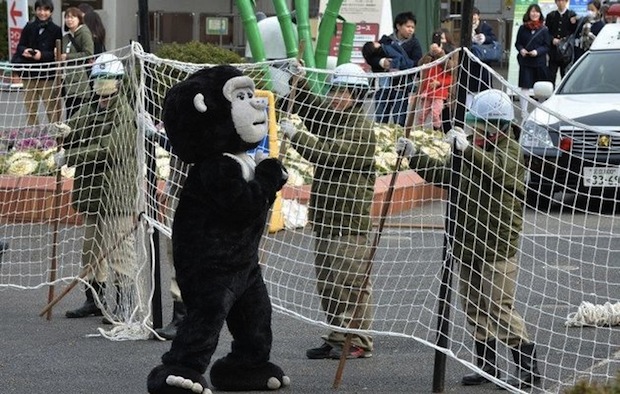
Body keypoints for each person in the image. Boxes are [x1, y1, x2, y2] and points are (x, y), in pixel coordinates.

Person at [396, 89, 541, 389]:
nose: (476, 131)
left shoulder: (511, 150)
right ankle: (487, 365)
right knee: (474, 307)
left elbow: (497, 170)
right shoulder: (471, 148)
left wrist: (467, 150)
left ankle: (528, 370)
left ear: (500, 127)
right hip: (467, 241)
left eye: (483, 125)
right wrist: (414, 157)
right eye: (475, 124)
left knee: (500, 307)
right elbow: (446, 175)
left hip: (497, 244)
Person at [280, 62, 376, 359]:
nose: (336, 96)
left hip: (349, 219)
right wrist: (301, 80)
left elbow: (329, 154)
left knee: (350, 281)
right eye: (334, 89)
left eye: (343, 91)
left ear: (357, 95)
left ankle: (357, 340)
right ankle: (337, 335)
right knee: (329, 282)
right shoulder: (337, 118)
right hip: (327, 216)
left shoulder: (360, 128)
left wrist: (296, 136)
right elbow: (316, 112)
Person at [59, 54, 138, 324]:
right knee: (91, 251)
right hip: (91, 192)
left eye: (108, 81)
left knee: (120, 252)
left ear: (118, 82)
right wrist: (64, 132)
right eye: (98, 80)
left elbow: (109, 150)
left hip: (117, 193)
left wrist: (71, 156)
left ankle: (126, 304)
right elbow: (74, 131)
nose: (103, 87)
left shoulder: (125, 114)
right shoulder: (89, 109)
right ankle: (94, 299)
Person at [12, 0, 62, 126]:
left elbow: (57, 53)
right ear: (35, 10)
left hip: (47, 75)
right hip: (29, 73)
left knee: (51, 108)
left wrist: (42, 55)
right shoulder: (29, 26)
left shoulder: (56, 30)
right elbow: (20, 46)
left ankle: (55, 136)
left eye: (45, 10)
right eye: (39, 9)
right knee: (30, 108)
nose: (42, 13)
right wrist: (25, 50)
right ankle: (34, 137)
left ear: (51, 12)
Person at [374, 11, 423, 126]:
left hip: (401, 88)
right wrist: (382, 63)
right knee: (380, 121)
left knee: (399, 122)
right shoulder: (385, 41)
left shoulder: (415, 44)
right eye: (408, 26)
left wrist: (399, 64)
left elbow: (417, 63)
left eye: (413, 27)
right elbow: (373, 59)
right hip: (383, 86)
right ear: (398, 26)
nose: (410, 30)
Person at [514, 3, 551, 120]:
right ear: (528, 13)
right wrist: (521, 50)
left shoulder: (544, 29)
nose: (534, 14)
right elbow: (517, 43)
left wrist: (537, 51)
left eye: (537, 12)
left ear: (540, 14)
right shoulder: (522, 28)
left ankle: (540, 113)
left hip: (539, 62)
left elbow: (547, 46)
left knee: (540, 89)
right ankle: (524, 112)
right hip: (525, 62)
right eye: (532, 11)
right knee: (525, 87)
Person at [416, 28, 456, 131]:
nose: (439, 42)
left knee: (445, 120)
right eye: (437, 39)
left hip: (445, 93)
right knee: (424, 114)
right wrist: (430, 54)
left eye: (442, 38)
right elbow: (420, 65)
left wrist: (440, 53)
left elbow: (451, 69)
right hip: (429, 91)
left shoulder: (453, 52)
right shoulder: (430, 54)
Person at [59, 7, 94, 119]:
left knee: (78, 114)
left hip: (80, 80)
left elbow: (89, 53)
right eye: (67, 17)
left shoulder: (84, 33)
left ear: (79, 18)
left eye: (73, 17)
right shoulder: (65, 37)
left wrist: (67, 57)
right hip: (66, 80)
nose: (69, 20)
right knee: (69, 110)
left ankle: (75, 136)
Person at [465, 7, 498, 109]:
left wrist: (484, 38)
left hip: (484, 62)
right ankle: (468, 109)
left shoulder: (485, 27)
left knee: (485, 87)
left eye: (475, 15)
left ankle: (485, 109)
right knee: (469, 87)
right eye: (471, 15)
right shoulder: (465, 27)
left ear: (478, 16)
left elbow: (493, 39)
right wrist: (471, 40)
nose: (473, 17)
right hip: (470, 61)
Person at [545, 0, 578, 85]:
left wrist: (574, 23)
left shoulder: (571, 15)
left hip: (566, 51)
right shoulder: (551, 15)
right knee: (551, 75)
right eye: (558, 1)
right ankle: (550, 94)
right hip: (553, 51)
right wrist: (552, 39)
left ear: (566, 2)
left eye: (563, 1)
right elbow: (546, 32)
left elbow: (574, 32)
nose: (561, 3)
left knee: (565, 75)